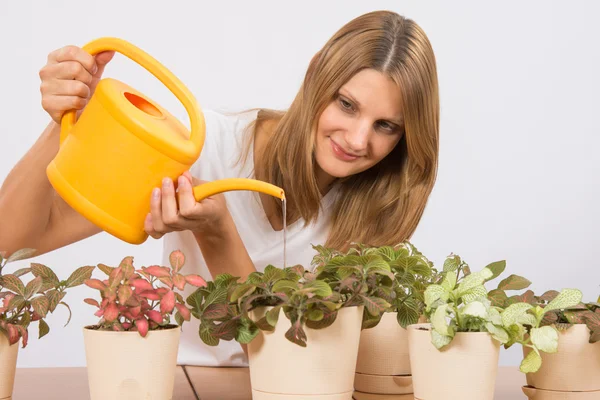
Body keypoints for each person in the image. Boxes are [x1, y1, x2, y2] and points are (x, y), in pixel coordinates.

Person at [0, 10, 439, 366]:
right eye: (346, 104)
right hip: (183, 386)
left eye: (385, 126)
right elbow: (12, 238)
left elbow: (288, 359)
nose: (359, 140)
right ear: (315, 74)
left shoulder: (380, 201)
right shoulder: (202, 148)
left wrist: (216, 233)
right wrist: (66, 121)